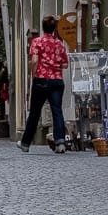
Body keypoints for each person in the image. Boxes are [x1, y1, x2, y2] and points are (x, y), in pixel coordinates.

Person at [17, 15, 69, 154]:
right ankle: (60, 142)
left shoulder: (37, 42)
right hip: (57, 81)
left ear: (43, 27)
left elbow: (34, 60)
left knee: (35, 112)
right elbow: (65, 64)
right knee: (57, 111)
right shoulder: (59, 44)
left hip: (41, 79)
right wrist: (55, 64)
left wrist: (33, 73)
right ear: (54, 28)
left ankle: (26, 143)